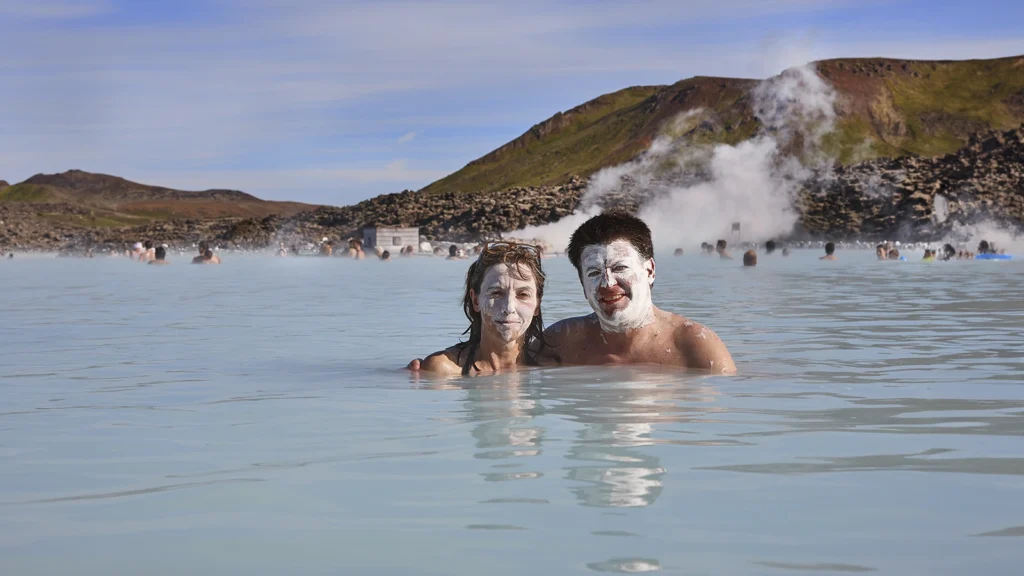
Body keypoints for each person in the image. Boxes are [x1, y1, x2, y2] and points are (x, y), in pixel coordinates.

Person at [538, 212, 735, 373]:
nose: (607, 283)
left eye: (620, 268)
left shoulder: (696, 348)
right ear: (582, 284)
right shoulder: (560, 344)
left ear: (649, 271)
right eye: (594, 273)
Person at [407, 242, 548, 375]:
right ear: (476, 301)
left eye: (523, 294)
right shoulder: (445, 369)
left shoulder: (553, 363)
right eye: (496, 293)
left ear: (537, 304)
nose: (509, 308)